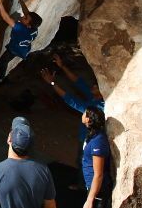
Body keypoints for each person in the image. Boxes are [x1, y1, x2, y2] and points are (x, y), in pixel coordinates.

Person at [39, 52, 105, 188]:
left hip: (90, 139)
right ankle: (84, 184)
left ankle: (87, 188)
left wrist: (52, 82)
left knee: (86, 163)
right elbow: (79, 83)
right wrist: (62, 66)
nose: (92, 86)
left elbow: (71, 100)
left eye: (95, 86)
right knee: (84, 162)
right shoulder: (97, 97)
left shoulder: (96, 107)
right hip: (89, 137)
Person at [0, 0, 43, 83]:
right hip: (23, 48)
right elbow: (26, 12)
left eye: (25, 18)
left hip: (16, 49)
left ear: (28, 25)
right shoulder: (33, 27)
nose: (23, 16)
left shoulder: (21, 29)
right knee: (5, 58)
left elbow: (5, 17)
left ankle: (0, 77)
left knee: (3, 61)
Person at [81, 107, 113, 208]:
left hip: (98, 190)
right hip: (93, 187)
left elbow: (98, 174)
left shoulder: (98, 142)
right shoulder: (93, 134)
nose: (82, 114)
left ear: (88, 118)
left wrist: (90, 199)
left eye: (84, 113)